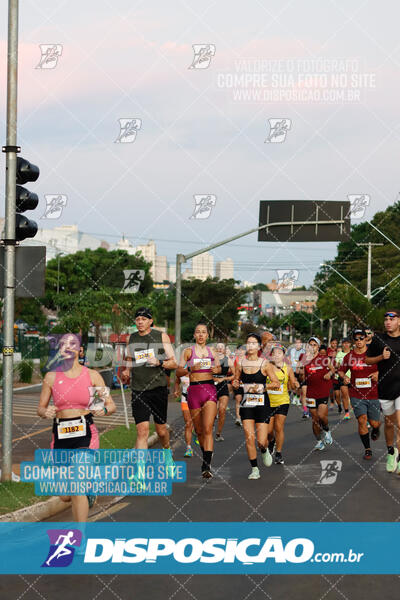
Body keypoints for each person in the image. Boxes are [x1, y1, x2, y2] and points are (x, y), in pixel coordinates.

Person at [37, 333, 116, 522]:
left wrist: (103, 410)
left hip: (85, 435)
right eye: (63, 344)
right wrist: (45, 411)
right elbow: (40, 407)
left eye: (72, 344)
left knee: (76, 485)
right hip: (61, 435)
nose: (67, 346)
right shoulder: (51, 377)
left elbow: (110, 405)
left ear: (80, 350)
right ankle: (89, 489)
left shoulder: (91, 375)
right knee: (65, 495)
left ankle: (79, 538)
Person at [122, 307, 177, 456]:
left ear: (150, 321)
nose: (140, 322)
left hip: (157, 389)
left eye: (143, 319)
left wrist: (159, 362)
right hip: (138, 390)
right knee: (142, 431)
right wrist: (127, 371)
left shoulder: (161, 337)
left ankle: (167, 452)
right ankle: (140, 474)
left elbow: (174, 363)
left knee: (161, 431)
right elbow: (129, 359)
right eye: (137, 319)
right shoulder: (131, 338)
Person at [232, 333, 280, 480]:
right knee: (248, 437)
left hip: (262, 405)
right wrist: (235, 383)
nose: (250, 346)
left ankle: (265, 450)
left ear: (259, 346)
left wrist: (262, 387)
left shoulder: (265, 364)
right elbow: (236, 380)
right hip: (247, 405)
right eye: (248, 343)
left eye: (254, 343)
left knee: (261, 441)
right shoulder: (240, 363)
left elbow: (276, 383)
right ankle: (254, 469)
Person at [177, 323, 221, 478]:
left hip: (209, 390)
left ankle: (206, 465)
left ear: (207, 336)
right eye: (198, 332)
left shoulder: (212, 351)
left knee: (208, 428)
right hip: (194, 391)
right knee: (199, 431)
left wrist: (217, 369)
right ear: (194, 335)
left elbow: (218, 368)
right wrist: (190, 369)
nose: (201, 335)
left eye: (204, 332)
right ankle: (206, 454)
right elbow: (178, 371)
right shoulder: (188, 352)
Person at [366, 310, 400, 473]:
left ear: (399, 322)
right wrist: (381, 357)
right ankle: (391, 453)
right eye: (386, 319)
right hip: (385, 387)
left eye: (392, 319)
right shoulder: (378, 340)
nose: (388, 322)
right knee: (389, 423)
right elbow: (366, 360)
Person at [338, 329, 380, 460]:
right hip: (356, 394)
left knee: (374, 423)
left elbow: (385, 367)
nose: (359, 341)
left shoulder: (373, 353)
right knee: (362, 420)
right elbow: (340, 371)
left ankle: (376, 428)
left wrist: (378, 374)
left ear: (366, 339)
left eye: (361, 338)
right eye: (356, 339)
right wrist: (344, 376)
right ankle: (367, 449)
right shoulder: (349, 356)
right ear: (353, 341)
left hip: (374, 394)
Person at [267, 344, 300, 464]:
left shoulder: (288, 368)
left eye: (279, 353)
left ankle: (279, 453)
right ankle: (271, 441)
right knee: (269, 431)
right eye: (274, 353)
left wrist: (295, 384)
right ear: (271, 355)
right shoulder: (266, 367)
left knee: (279, 427)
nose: (276, 355)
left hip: (283, 401)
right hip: (268, 402)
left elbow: (292, 382)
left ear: (283, 355)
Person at [301, 336, 335, 451]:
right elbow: (303, 376)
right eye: (310, 345)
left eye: (314, 345)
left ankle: (326, 430)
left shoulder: (324, 358)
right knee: (315, 419)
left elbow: (332, 369)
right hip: (311, 392)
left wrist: (329, 374)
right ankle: (319, 441)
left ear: (318, 347)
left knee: (321, 416)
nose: (312, 347)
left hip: (323, 390)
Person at [213, 342, 234, 441]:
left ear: (225, 349)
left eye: (222, 347)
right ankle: (210, 425)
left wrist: (224, 379)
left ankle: (218, 433)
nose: (220, 349)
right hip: (211, 388)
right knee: (212, 412)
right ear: (215, 349)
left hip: (223, 387)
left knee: (222, 410)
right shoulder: (212, 360)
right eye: (218, 347)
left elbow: (235, 375)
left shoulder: (228, 360)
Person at [174, 372, 193, 457]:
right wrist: (176, 390)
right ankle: (189, 448)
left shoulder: (198, 366)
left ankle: (196, 432)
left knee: (198, 424)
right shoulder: (181, 370)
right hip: (185, 399)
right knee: (188, 423)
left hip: (198, 399)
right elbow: (177, 382)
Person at [333, 338, 352, 420]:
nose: (346, 345)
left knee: (354, 396)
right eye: (344, 343)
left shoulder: (353, 353)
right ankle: (347, 412)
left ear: (350, 344)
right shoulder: (339, 354)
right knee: (344, 394)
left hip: (353, 376)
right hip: (342, 376)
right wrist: (337, 366)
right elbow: (337, 365)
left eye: (347, 343)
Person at [287, 338, 303, 406]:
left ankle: (297, 398)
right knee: (293, 384)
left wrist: (300, 367)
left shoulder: (303, 351)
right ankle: (294, 397)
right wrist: (289, 361)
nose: (297, 344)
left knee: (299, 386)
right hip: (292, 369)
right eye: (296, 343)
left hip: (300, 369)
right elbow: (287, 357)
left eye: (299, 343)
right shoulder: (292, 350)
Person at [233, 344, 246, 427]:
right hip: (238, 382)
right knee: (238, 399)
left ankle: (245, 417)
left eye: (242, 350)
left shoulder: (248, 360)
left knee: (245, 401)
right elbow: (234, 372)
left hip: (247, 384)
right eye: (239, 350)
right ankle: (238, 418)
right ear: (237, 351)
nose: (241, 352)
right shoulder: (234, 360)